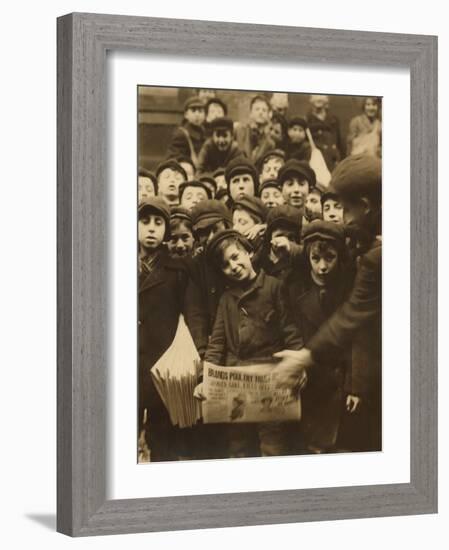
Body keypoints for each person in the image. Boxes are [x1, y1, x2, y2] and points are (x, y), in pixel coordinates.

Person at [274, 154, 382, 452]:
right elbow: (331, 242)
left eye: (345, 209)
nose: (344, 218)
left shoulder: (377, 256)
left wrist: (304, 357)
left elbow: (352, 315)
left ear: (366, 205)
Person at [199, 229, 303, 457]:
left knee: (273, 445)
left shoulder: (274, 287)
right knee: (239, 446)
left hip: (270, 380)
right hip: (236, 385)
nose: (233, 267)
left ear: (249, 252)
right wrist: (205, 379)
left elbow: (290, 330)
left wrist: (297, 363)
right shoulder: (226, 299)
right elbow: (217, 344)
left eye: (235, 257)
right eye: (225, 265)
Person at [293, 221, 356, 453]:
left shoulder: (351, 291)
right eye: (315, 259)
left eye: (329, 258)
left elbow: (356, 343)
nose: (322, 267)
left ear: (340, 256)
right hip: (308, 382)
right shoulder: (293, 290)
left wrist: (353, 385)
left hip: (340, 383)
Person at [138, 197, 189, 461]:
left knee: (162, 445)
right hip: (129, 367)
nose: (151, 228)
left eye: (158, 223)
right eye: (144, 221)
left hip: (163, 367)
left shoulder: (177, 270)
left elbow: (189, 316)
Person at [306, 95, 344, 172]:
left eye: (321, 97)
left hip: (334, 159)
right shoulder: (307, 119)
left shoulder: (333, 119)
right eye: (316, 96)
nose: (319, 99)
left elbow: (339, 142)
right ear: (311, 100)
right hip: (319, 159)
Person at [234, 95, 276, 164]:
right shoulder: (239, 131)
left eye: (264, 110)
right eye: (257, 109)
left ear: (268, 115)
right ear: (251, 113)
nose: (260, 112)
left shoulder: (270, 143)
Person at [167, 96, 206, 166]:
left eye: (200, 111)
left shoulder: (204, 133)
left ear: (205, 115)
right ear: (186, 115)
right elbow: (174, 158)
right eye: (193, 111)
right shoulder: (181, 134)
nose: (197, 115)